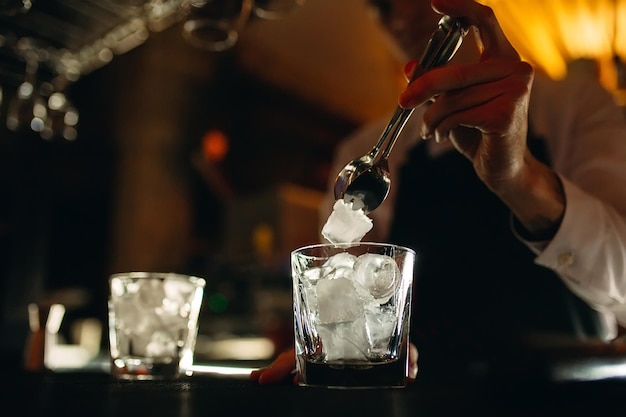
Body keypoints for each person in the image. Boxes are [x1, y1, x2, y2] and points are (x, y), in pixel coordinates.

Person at [251, 0, 626, 384]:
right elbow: (343, 297)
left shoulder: (579, 107)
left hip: (573, 393)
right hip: (424, 395)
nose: (397, 17)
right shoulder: (362, 150)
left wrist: (518, 177)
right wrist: (340, 347)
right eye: (379, 5)